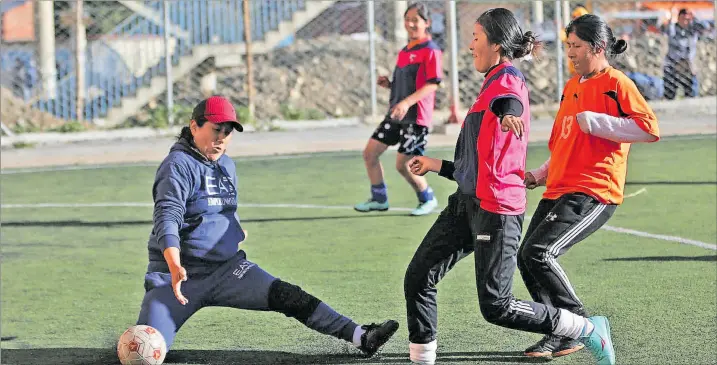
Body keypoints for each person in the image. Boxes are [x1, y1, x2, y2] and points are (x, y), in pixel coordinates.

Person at [404, 8, 616, 365]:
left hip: (496, 211)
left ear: (497, 45)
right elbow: (475, 167)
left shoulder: (506, 80)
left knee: (496, 306)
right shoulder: (488, 85)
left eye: (475, 37)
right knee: (418, 277)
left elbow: (510, 102)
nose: (470, 45)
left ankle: (584, 329)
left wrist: (508, 114)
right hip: (466, 204)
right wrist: (435, 166)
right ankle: (422, 358)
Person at [135, 96, 399, 356]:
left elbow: (223, 210)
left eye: (228, 133)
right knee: (145, 348)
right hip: (177, 278)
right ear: (194, 127)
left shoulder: (226, 164)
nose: (222, 138)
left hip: (228, 269)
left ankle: (361, 336)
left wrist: (234, 232)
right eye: (216, 130)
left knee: (288, 295)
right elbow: (167, 216)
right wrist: (173, 263)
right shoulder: (177, 166)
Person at [518, 14, 660, 360]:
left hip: (594, 189)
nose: (570, 52)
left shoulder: (617, 83)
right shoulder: (572, 85)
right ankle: (560, 333)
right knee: (527, 257)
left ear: (598, 48)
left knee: (541, 253)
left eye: (576, 46)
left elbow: (648, 128)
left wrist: (599, 122)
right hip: (558, 188)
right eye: (568, 46)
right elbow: (566, 144)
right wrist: (539, 173)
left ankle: (583, 325)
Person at [354, 2, 442, 216]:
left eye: (416, 20)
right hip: (396, 114)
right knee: (370, 153)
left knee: (403, 164)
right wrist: (391, 85)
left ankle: (427, 197)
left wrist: (406, 103)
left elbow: (432, 83)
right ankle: (379, 198)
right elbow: (408, 83)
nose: (410, 24)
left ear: (427, 23)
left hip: (416, 116)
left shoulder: (431, 51)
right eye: (407, 19)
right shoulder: (404, 51)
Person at [662, 8, 703, 99]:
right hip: (674, 62)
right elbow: (664, 28)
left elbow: (705, 26)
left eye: (688, 19)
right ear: (679, 18)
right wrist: (670, 16)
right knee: (670, 92)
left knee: (691, 92)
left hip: (688, 63)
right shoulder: (673, 28)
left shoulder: (692, 29)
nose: (685, 21)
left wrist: (694, 17)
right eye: (683, 19)